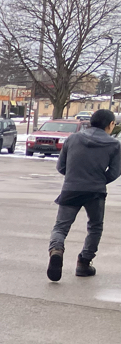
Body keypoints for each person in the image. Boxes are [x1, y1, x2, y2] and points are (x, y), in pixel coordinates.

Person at [48, 108, 121, 280]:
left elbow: (61, 166)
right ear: (110, 124)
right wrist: (99, 180)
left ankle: (56, 249)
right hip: (95, 191)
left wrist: (75, 176)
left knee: (61, 227)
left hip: (71, 189)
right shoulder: (114, 144)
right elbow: (115, 171)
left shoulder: (73, 138)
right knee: (95, 227)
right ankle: (84, 263)